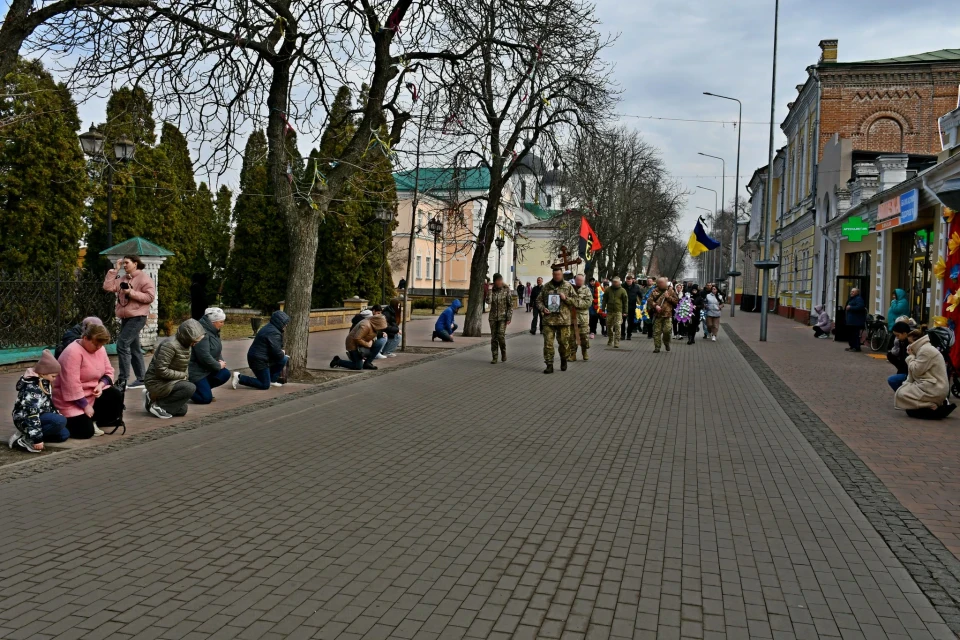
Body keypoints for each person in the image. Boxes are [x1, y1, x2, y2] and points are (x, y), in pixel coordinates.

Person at [53, 323, 125, 438]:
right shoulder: (72, 352)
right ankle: (70, 422)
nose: (98, 348)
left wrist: (101, 385)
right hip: (70, 399)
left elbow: (109, 371)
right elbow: (72, 385)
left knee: (114, 395)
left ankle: (94, 420)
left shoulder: (100, 349)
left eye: (101, 345)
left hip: (91, 392)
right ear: (85, 338)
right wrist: (85, 406)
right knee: (85, 433)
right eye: (96, 344)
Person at [103, 255, 156, 390]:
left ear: (135, 263)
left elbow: (150, 297)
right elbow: (108, 287)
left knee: (122, 344)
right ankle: (142, 378)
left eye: (127, 263)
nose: (125, 265)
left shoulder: (144, 278)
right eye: (124, 263)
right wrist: (115, 269)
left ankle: (123, 380)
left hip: (138, 317)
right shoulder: (123, 279)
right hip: (126, 318)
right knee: (134, 348)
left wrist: (131, 292)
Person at [9, 350, 69, 453]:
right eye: (53, 376)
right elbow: (31, 414)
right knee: (60, 421)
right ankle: (28, 438)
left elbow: (48, 404)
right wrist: (37, 439)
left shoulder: (44, 381)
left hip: (41, 414)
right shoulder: (33, 388)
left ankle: (30, 434)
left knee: (64, 434)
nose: (54, 379)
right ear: (43, 373)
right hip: (24, 418)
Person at [144, 319, 204, 419]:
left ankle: (152, 398)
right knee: (189, 388)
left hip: (170, 380)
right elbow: (161, 370)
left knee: (182, 410)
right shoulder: (170, 345)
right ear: (187, 336)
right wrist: (183, 376)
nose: (195, 344)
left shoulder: (186, 344)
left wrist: (184, 377)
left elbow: (183, 366)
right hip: (156, 381)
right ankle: (157, 406)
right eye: (194, 341)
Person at [895, 329, 955, 419]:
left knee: (902, 394)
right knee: (907, 403)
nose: (909, 345)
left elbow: (916, 370)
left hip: (934, 387)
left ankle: (931, 404)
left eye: (910, 342)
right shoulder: (922, 349)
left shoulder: (925, 351)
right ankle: (930, 405)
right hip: (929, 384)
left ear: (916, 341)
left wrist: (910, 357)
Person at [234, 310, 290, 389]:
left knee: (283, 359)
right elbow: (277, 353)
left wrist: (282, 354)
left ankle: (272, 380)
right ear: (279, 323)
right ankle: (239, 377)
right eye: (285, 323)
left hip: (262, 357)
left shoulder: (271, 328)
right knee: (264, 385)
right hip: (258, 360)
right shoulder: (273, 332)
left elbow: (275, 349)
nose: (286, 325)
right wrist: (282, 353)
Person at [537, 267, 576, 373]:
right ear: (552, 275)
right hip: (549, 320)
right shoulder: (546, 287)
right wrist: (543, 308)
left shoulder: (568, 286)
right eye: (555, 275)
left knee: (563, 343)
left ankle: (564, 358)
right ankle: (549, 364)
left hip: (563, 320)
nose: (557, 277)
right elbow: (538, 301)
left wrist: (565, 298)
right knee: (548, 343)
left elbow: (576, 301)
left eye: (558, 274)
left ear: (562, 274)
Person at [189, 307, 231, 404]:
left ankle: (203, 388)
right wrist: (218, 365)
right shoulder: (202, 333)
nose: (223, 324)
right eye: (221, 322)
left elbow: (216, 350)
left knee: (225, 373)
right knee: (205, 399)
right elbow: (203, 356)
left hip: (206, 369)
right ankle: (184, 390)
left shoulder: (213, 331)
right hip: (196, 371)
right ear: (213, 322)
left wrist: (221, 361)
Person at [647, 277, 679, 353]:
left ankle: (666, 343)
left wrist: (668, 297)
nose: (662, 284)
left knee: (667, 331)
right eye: (660, 283)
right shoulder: (654, 291)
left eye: (663, 283)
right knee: (656, 332)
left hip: (667, 315)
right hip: (657, 315)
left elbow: (676, 301)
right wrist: (655, 306)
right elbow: (650, 301)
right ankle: (657, 347)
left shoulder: (670, 291)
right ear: (658, 284)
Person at [488, 273, 514, 364]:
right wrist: (490, 291)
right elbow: (488, 301)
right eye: (497, 281)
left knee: (501, 336)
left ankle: (503, 351)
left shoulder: (506, 290)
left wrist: (509, 317)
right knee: (494, 337)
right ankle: (494, 356)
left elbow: (510, 305)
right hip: (493, 317)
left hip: (503, 317)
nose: (499, 282)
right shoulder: (492, 290)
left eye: (500, 280)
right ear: (494, 281)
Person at [568, 274, 593, 361]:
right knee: (571, 338)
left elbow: (588, 303)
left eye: (581, 280)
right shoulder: (570, 289)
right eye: (578, 280)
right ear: (575, 280)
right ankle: (573, 354)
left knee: (584, 337)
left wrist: (576, 303)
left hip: (583, 319)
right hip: (572, 317)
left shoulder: (586, 290)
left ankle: (584, 352)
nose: (579, 282)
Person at [601, 276, 628, 349]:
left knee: (618, 326)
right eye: (613, 282)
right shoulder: (608, 290)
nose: (615, 283)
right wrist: (603, 308)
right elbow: (604, 300)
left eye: (616, 282)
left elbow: (625, 302)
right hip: (609, 311)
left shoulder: (622, 290)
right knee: (609, 326)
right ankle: (610, 338)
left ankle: (617, 341)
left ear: (619, 282)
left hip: (618, 311)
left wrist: (625, 311)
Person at [886, 321, 911, 391]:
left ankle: (902, 396)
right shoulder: (901, 341)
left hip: (910, 373)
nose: (897, 338)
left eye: (898, 335)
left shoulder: (910, 343)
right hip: (905, 370)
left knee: (892, 380)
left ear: (905, 333)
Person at [844, 288, 867, 352]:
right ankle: (852, 346)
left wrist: (851, 307)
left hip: (855, 321)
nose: (851, 292)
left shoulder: (858, 299)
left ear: (857, 293)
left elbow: (860, 306)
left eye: (853, 292)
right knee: (851, 334)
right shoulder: (852, 299)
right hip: (851, 321)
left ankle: (856, 347)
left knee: (855, 335)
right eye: (851, 291)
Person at [622, 274, 643, 340]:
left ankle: (629, 334)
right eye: (627, 281)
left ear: (632, 280)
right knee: (622, 321)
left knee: (631, 322)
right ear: (626, 280)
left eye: (630, 281)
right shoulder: (622, 286)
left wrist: (642, 302)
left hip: (632, 306)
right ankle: (622, 334)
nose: (628, 282)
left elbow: (640, 295)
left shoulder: (636, 287)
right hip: (623, 306)